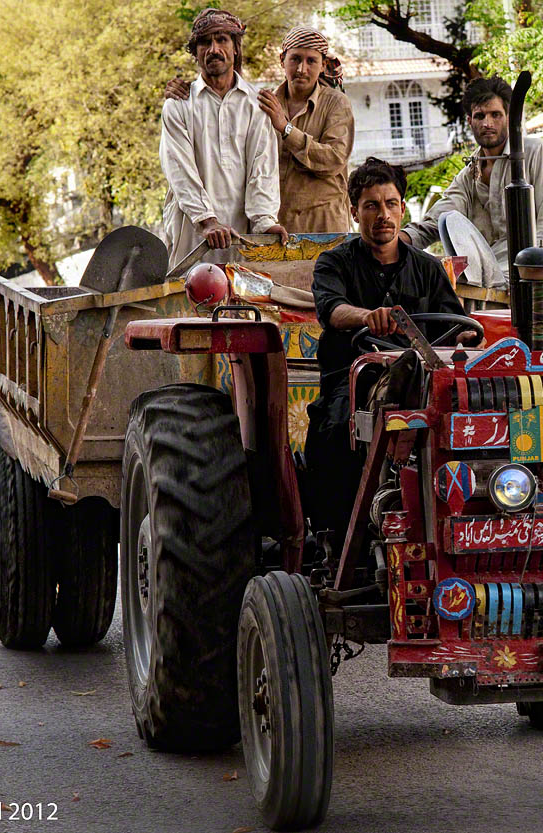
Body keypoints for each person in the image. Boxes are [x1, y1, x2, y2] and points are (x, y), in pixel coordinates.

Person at [306, 157, 471, 548]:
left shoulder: (429, 269)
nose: (383, 215)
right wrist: (368, 317)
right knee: (334, 431)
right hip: (355, 377)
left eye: (391, 203)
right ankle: (339, 537)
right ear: (353, 212)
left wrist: (465, 340)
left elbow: (456, 325)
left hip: (423, 379)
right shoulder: (334, 262)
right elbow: (331, 309)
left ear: (403, 207)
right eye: (372, 205)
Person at [165, 26, 354, 233]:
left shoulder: (336, 104)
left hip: (325, 223)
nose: (301, 69)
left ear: (323, 64)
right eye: (295, 59)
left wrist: (285, 129)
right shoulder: (263, 103)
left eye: (311, 61)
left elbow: (334, 159)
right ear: (282, 61)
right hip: (279, 226)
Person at [400, 75, 543, 277]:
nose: (487, 123)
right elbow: (438, 218)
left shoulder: (536, 152)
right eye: (480, 116)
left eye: (495, 115)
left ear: (508, 117)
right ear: (470, 121)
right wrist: (398, 239)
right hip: (487, 282)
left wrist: (535, 275)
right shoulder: (469, 174)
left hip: (530, 279)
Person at [159, 8, 288, 266]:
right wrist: (207, 221)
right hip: (192, 233)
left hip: (242, 237)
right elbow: (179, 171)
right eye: (205, 42)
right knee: (190, 302)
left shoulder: (255, 104)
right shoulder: (179, 105)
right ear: (195, 53)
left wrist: (264, 222)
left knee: (243, 302)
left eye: (222, 40)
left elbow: (262, 170)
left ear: (235, 48)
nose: (213, 49)